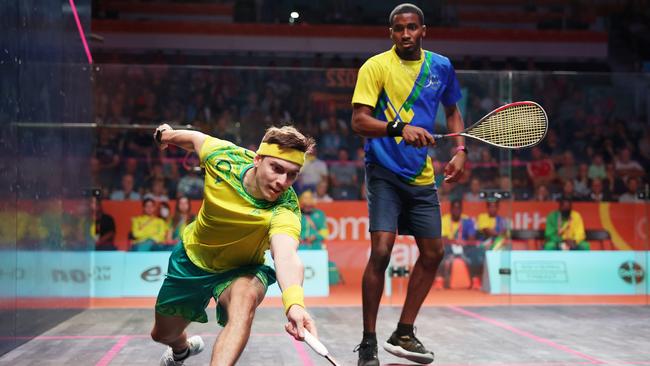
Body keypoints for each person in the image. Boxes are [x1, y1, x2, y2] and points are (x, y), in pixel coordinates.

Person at [350, 4, 466, 365]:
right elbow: (359, 121)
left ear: (423, 30)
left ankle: (404, 331)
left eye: (412, 28)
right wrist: (400, 129)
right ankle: (368, 342)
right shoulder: (375, 67)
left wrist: (461, 149)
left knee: (434, 254)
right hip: (383, 169)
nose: (405, 34)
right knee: (381, 251)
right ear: (390, 33)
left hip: (420, 175)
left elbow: (452, 111)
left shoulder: (441, 67)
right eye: (399, 29)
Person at [150, 123, 318, 366]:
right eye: (277, 168)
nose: (283, 181)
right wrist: (164, 135)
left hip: (241, 270)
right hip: (192, 261)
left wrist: (294, 303)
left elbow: (286, 255)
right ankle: (181, 349)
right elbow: (195, 139)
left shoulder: (285, 207)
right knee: (162, 334)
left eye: (292, 174)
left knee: (244, 301)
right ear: (258, 159)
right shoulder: (224, 158)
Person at [434, 199, 476, 290]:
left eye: (458, 208)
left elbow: (471, 238)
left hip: (464, 247)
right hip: (449, 247)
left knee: (476, 254)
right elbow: (443, 239)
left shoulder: (467, 220)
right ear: (451, 209)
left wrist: (464, 242)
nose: (456, 210)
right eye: (454, 208)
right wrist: (454, 241)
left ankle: (475, 281)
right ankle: (439, 280)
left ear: (461, 210)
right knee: (439, 253)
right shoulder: (445, 219)